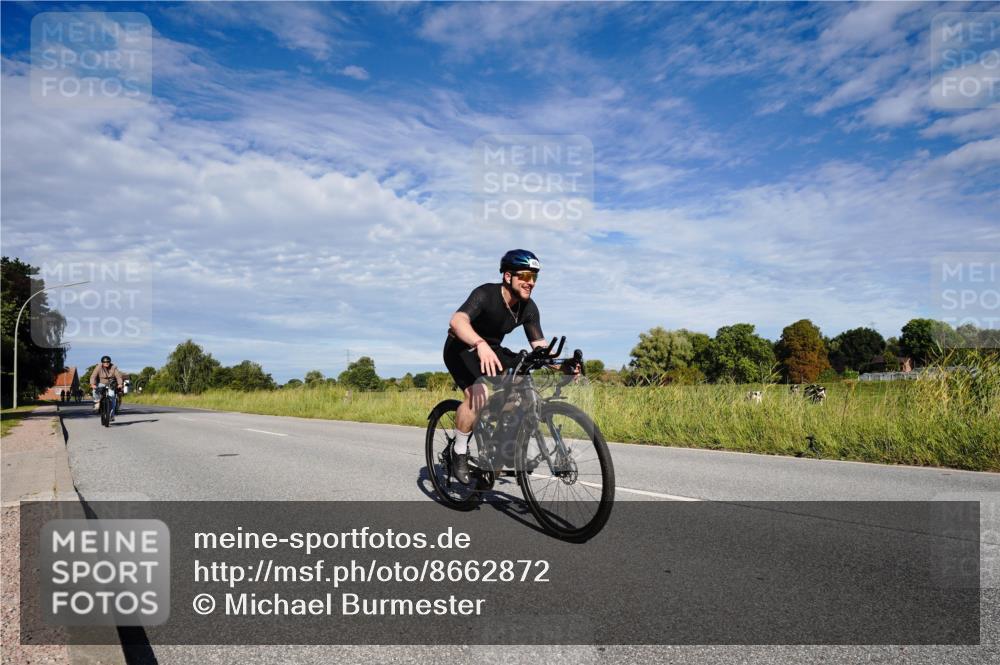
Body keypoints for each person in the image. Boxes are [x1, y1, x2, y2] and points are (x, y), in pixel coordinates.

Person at [443, 250, 552, 484]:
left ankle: (498, 448)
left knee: (522, 383)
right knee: (478, 393)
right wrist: (479, 343)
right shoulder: (486, 294)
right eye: (524, 276)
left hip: (491, 350)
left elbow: (539, 346)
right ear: (507, 276)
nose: (530, 282)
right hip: (462, 347)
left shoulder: (528, 307)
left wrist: (563, 365)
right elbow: (457, 321)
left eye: (534, 277)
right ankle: (459, 452)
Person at [90, 355, 127, 419]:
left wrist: (120, 384)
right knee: (94, 391)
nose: (106, 363)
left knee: (112, 397)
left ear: (110, 362)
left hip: (111, 383)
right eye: (104, 362)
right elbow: (93, 376)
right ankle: (97, 402)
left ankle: (112, 415)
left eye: (107, 362)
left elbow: (118, 377)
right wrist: (92, 384)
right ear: (102, 362)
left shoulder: (114, 367)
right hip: (101, 383)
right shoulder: (98, 367)